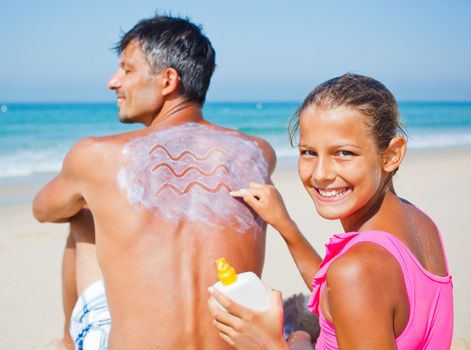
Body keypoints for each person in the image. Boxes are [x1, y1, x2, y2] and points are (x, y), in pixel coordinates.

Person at [33, 14, 276, 350]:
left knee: (80, 212)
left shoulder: (95, 156)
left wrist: (95, 196)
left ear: (167, 81)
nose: (113, 82)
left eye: (127, 70)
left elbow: (43, 210)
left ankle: (66, 341)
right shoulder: (257, 153)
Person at [208, 73, 453, 349]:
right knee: (300, 335)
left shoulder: (357, 270)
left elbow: (356, 283)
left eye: (344, 153)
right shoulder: (419, 223)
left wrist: (267, 344)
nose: (321, 174)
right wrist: (285, 225)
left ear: (392, 155)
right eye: (308, 152)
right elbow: (354, 303)